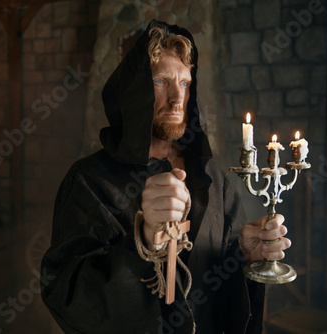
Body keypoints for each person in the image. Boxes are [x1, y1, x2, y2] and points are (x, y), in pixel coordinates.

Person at [41, 19, 291, 334]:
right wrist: (142, 242)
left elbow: (219, 277)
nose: (177, 98)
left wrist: (242, 254)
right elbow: (66, 292)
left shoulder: (212, 177)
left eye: (184, 83)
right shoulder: (89, 181)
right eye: (161, 81)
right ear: (136, 93)